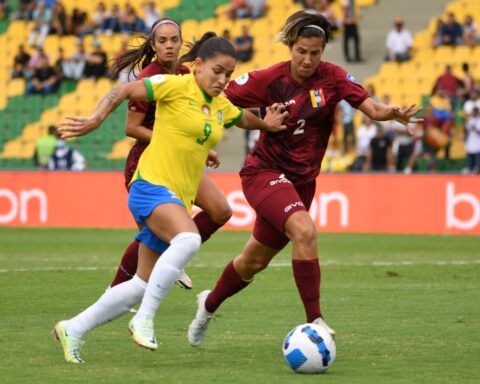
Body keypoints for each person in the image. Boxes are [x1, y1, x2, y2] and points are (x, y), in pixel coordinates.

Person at [187, 9, 420, 349]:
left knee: (253, 261)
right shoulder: (269, 79)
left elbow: (373, 108)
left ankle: (207, 305)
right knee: (305, 230)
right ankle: (316, 321)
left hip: (302, 183)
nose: (307, 59)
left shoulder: (334, 78)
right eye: (301, 51)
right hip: (264, 172)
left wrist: (391, 112)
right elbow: (217, 98)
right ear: (291, 47)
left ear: (322, 51)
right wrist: (204, 135)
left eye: (315, 53)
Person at [52, 32, 288, 363]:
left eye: (228, 74)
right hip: (149, 186)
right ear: (198, 66)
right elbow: (123, 90)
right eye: (217, 71)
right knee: (189, 239)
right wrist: (94, 119)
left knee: (138, 284)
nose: (222, 80)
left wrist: (266, 124)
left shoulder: (219, 104)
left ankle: (72, 329)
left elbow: (240, 117)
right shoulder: (174, 86)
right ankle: (144, 319)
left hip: (176, 195)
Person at [106, 18, 235, 289]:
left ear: (180, 42)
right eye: (162, 41)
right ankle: (116, 288)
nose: (169, 46)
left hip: (181, 161)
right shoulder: (148, 77)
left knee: (220, 211)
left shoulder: (187, 72)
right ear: (153, 45)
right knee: (152, 236)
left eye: (174, 40)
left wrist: (201, 146)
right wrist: (174, 141)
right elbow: (132, 128)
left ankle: (173, 251)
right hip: (149, 161)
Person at [464, 106, 480, 174]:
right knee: (470, 154)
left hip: (478, 141)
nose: (474, 113)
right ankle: (470, 167)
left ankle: (477, 168)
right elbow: (466, 128)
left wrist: (475, 128)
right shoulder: (470, 119)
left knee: (477, 155)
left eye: (476, 111)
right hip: (470, 140)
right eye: (473, 111)